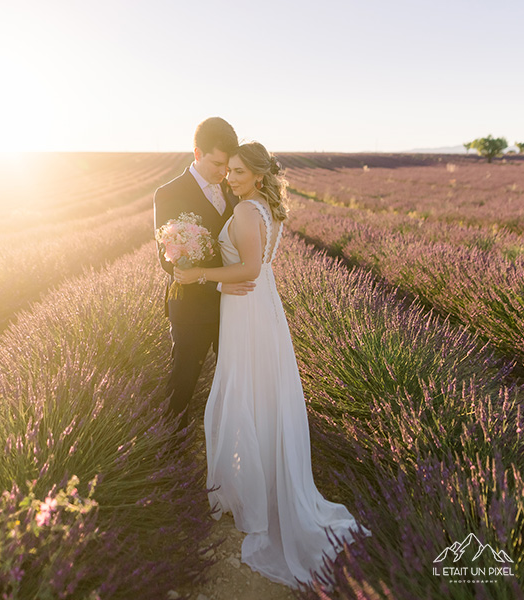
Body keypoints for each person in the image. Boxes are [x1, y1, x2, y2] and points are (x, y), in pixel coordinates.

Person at [174, 142, 370, 588]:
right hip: (261, 310)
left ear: (258, 175)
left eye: (240, 172)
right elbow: (260, 267)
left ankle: (250, 495)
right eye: (231, 171)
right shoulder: (266, 208)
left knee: (244, 390)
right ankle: (256, 482)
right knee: (259, 391)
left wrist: (198, 275)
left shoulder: (245, 210)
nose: (232, 178)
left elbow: (248, 270)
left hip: (247, 308)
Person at [153, 117, 256, 431]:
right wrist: (210, 277)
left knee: (237, 379)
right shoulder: (169, 193)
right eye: (216, 164)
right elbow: (167, 260)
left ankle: (231, 441)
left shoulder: (233, 188)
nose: (223, 172)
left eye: (228, 165)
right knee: (183, 378)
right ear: (197, 153)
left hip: (233, 304)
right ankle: (167, 448)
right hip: (193, 307)